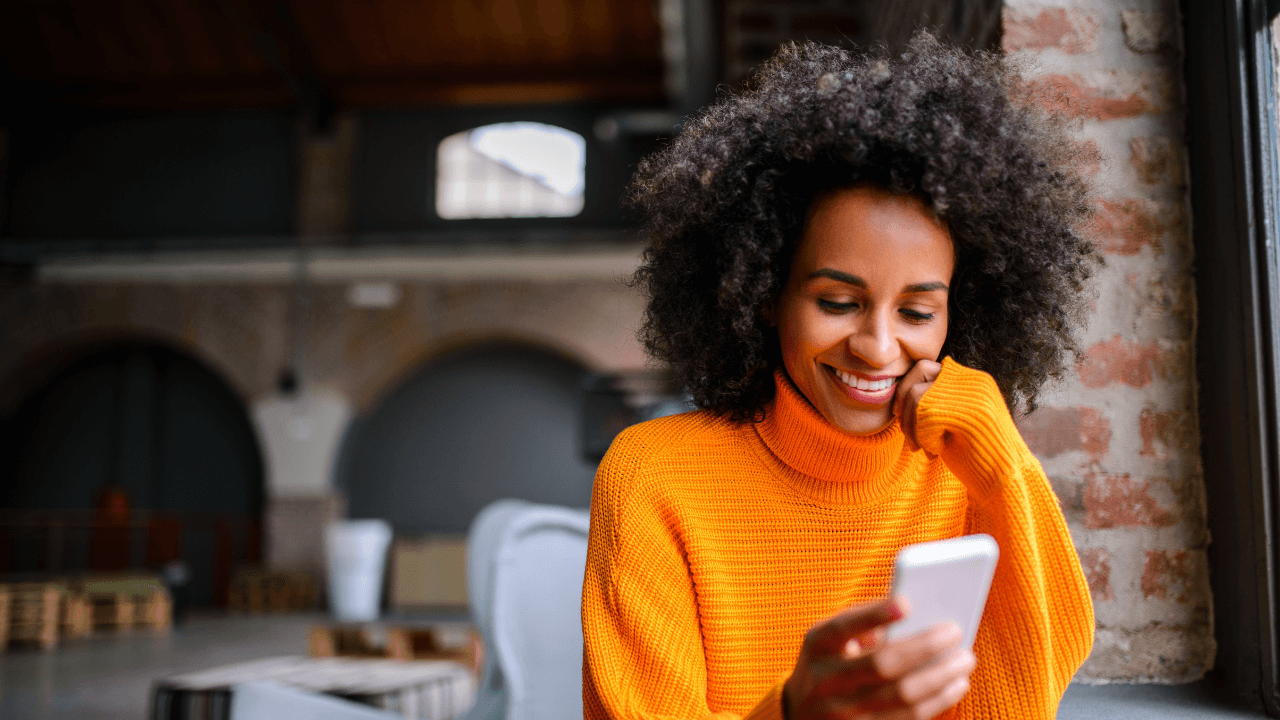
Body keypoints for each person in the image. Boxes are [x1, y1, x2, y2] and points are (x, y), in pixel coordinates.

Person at [581, 33, 1099, 720]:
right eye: (837, 302)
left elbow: (1025, 703)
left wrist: (1005, 468)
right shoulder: (654, 476)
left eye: (916, 310)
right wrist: (795, 712)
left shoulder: (970, 472)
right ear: (763, 292)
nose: (878, 347)